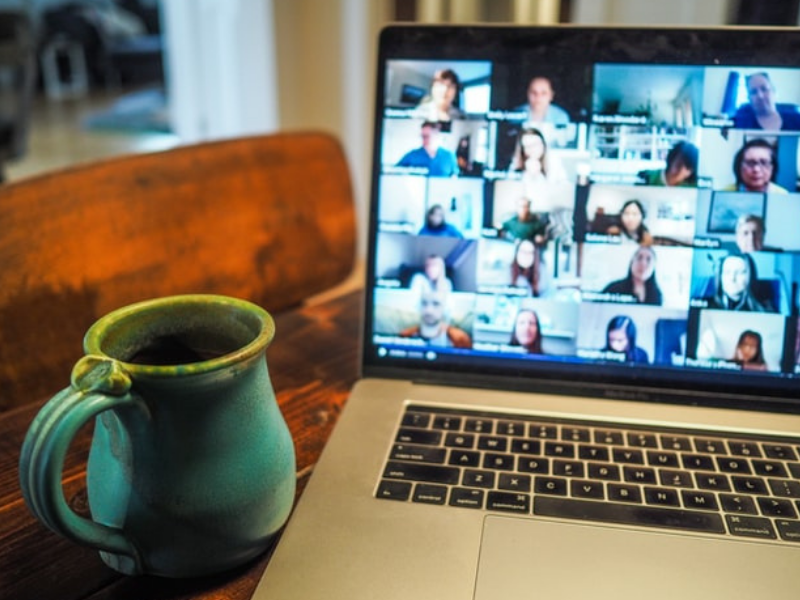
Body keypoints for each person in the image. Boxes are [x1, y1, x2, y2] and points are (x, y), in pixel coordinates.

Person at [399, 289, 471, 348]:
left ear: (445, 308)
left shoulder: (460, 339)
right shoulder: (406, 335)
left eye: (436, 304)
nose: (428, 310)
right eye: (424, 303)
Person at [704, 252, 773, 312]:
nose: (732, 278)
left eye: (739, 273)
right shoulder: (704, 305)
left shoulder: (763, 310)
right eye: (727, 272)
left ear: (750, 276)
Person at [732, 72, 800, 131]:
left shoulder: (796, 119)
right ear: (749, 98)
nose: (760, 96)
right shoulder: (740, 124)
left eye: (764, 89)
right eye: (753, 92)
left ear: (774, 92)